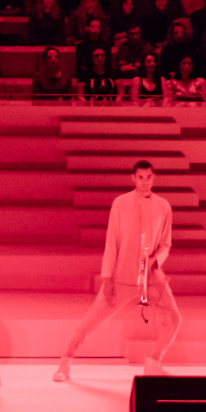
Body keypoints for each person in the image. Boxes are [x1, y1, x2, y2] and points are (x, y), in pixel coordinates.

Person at [54, 159, 183, 380]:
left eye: (148, 177)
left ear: (154, 178)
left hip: (151, 279)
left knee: (174, 318)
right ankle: (65, 362)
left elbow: (166, 244)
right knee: (91, 321)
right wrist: (108, 279)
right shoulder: (120, 203)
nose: (144, 182)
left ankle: (153, 363)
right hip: (122, 277)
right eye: (140, 177)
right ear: (133, 178)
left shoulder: (164, 206)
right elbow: (111, 242)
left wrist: (156, 260)